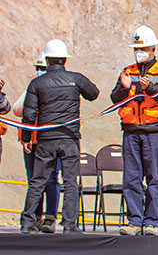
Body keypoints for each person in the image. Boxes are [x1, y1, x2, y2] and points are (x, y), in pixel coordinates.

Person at [20, 39, 99, 234]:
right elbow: (94, 93)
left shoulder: (37, 83)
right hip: (69, 138)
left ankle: (28, 223)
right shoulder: (76, 79)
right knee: (70, 181)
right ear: (65, 59)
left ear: (47, 60)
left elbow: (29, 115)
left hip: (46, 139)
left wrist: (27, 138)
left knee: (38, 180)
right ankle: (70, 224)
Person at [110, 26, 158, 236]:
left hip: (155, 132)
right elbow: (115, 98)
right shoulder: (127, 71)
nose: (139, 51)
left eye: (143, 48)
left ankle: (151, 222)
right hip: (131, 132)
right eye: (136, 48)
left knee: (154, 178)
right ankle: (134, 221)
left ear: (153, 49)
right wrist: (123, 87)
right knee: (131, 178)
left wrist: (150, 89)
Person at [14, 54, 60, 233]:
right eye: (38, 69)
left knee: (51, 179)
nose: (40, 72)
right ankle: (35, 216)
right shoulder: (32, 87)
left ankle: (50, 217)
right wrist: (29, 90)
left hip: (49, 141)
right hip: (31, 142)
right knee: (34, 180)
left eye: (43, 69)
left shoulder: (56, 88)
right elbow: (19, 110)